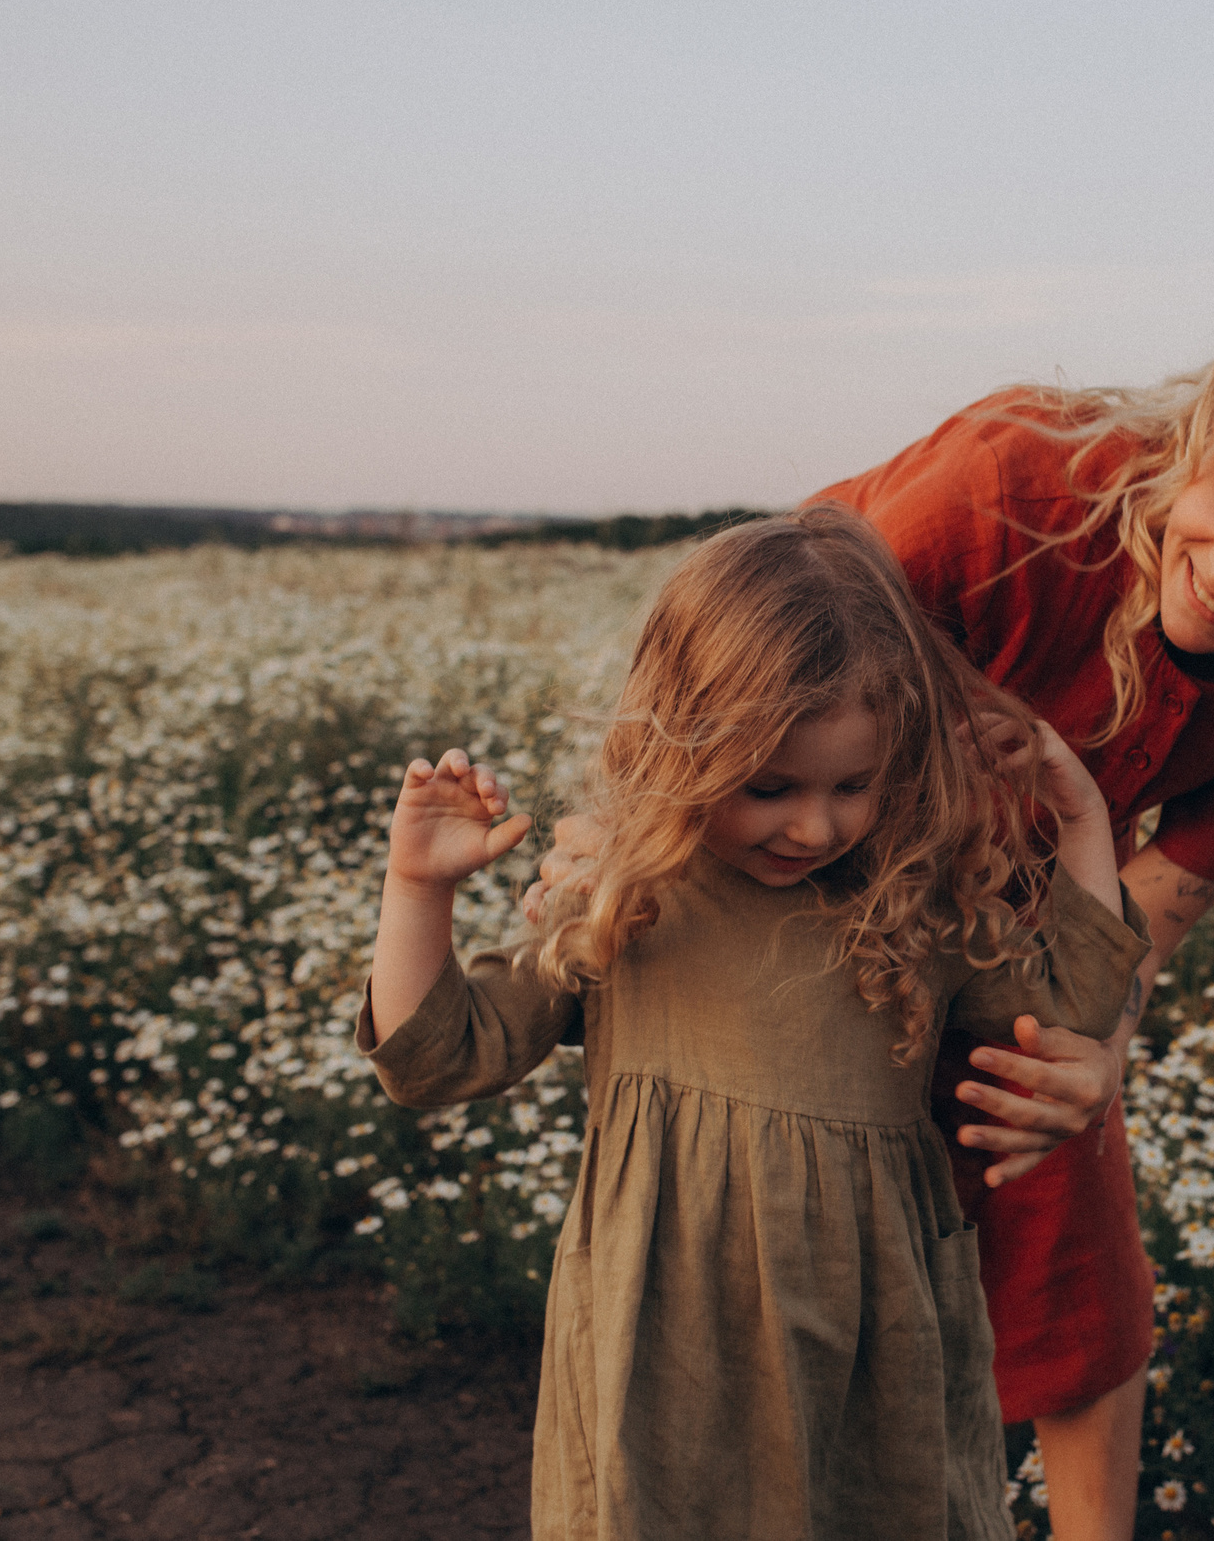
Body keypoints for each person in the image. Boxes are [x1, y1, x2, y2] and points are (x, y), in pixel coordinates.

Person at [537, 298, 1214, 1539]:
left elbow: (1158, 900)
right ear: (1202, 429)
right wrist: (631, 836)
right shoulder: (1011, 484)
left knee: (1071, 1233)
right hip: (805, 864)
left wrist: (1093, 1049)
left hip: (1026, 904)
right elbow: (741, 658)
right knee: (788, 1227)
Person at [359, 507, 1153, 1541]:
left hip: (874, 1338)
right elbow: (434, 1058)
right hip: (671, 1345)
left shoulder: (915, 902)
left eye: (853, 786)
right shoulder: (623, 899)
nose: (813, 825)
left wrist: (1080, 812)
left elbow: (1074, 1005)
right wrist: (416, 890)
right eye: (768, 787)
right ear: (680, 746)